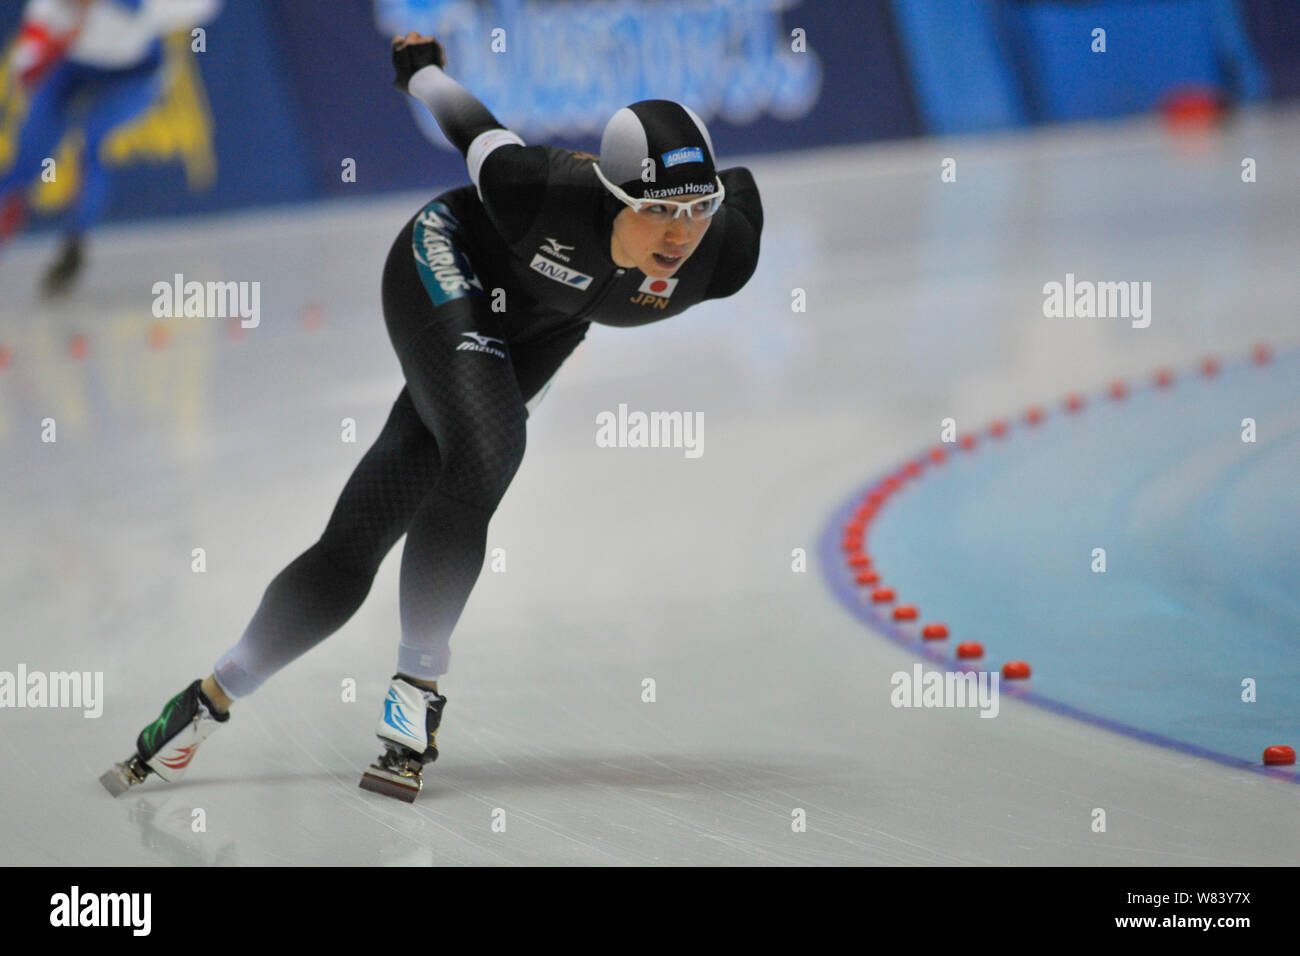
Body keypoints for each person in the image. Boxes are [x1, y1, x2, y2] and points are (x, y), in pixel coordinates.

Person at [102, 32, 763, 801]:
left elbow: (743, 190)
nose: (680, 234)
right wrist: (422, 72)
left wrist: (718, 195)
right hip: (445, 264)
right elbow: (476, 130)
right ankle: (416, 697)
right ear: (612, 197)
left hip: (543, 327)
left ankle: (210, 697)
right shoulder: (537, 187)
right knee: (490, 445)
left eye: (695, 208)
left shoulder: (723, 254)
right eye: (655, 210)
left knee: (368, 528)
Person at [0, 0, 221, 295]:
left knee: (92, 141)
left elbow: (201, 7)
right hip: (71, 66)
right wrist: (29, 63)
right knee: (28, 160)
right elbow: (36, 30)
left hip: (134, 73)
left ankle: (74, 247)